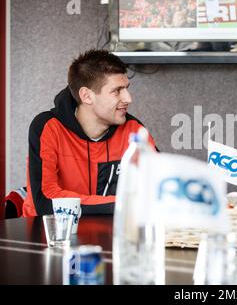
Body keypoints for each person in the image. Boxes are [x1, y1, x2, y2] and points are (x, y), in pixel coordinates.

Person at [22, 49, 158, 217]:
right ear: (87, 96)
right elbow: (46, 202)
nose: (128, 98)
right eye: (117, 90)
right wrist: (123, 204)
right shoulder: (46, 127)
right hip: (47, 236)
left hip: (111, 235)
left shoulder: (134, 130)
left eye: (127, 89)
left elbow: (160, 189)